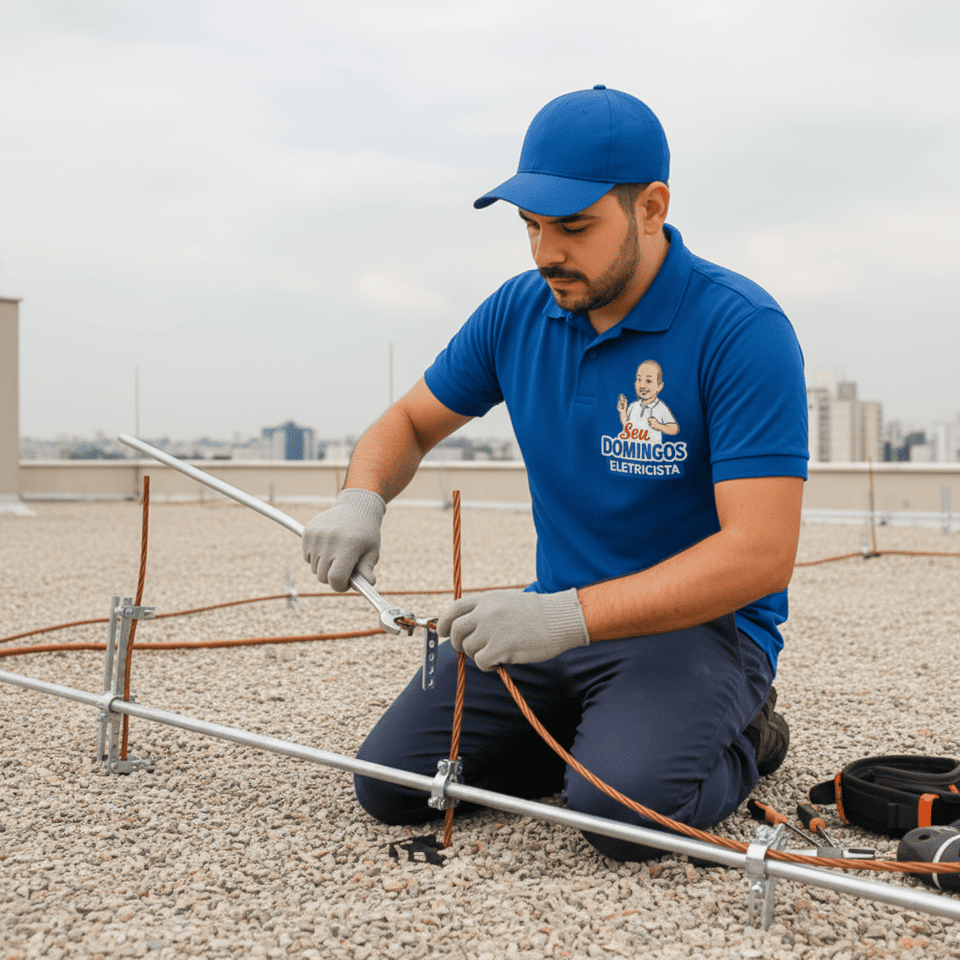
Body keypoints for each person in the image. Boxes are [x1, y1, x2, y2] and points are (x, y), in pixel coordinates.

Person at [302, 85, 808, 861]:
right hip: (555, 625)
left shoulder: (741, 330)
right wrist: (361, 497)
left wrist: (564, 618)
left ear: (651, 207)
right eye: (530, 227)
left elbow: (760, 552)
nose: (545, 253)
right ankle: (604, 733)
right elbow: (406, 422)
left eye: (573, 227)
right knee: (395, 786)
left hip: (698, 633)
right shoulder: (519, 310)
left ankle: (747, 733)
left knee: (619, 818)